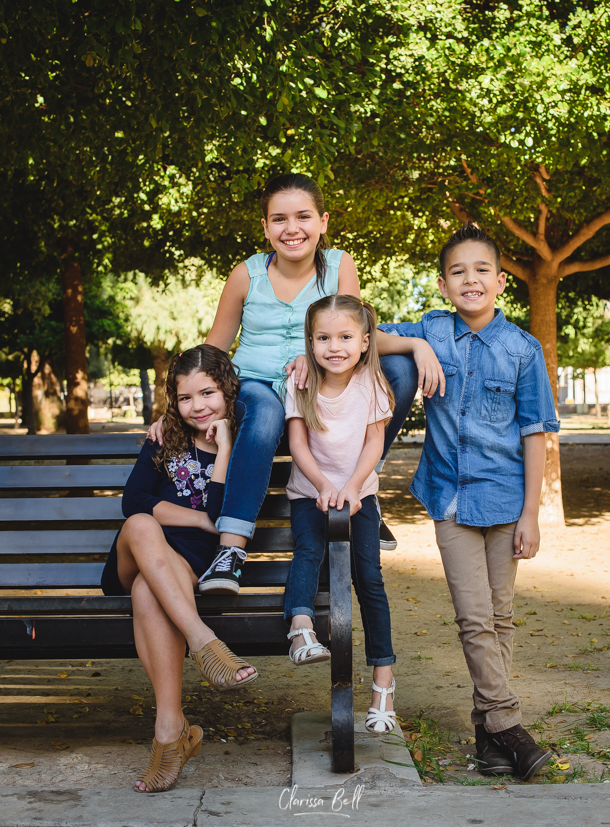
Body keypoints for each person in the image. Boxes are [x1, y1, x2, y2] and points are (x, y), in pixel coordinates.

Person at [148, 173, 443, 592]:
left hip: (318, 396)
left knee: (398, 370)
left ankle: (360, 490)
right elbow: (212, 351)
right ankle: (230, 549)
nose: (292, 229)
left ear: (323, 221)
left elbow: (357, 334)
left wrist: (415, 345)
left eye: (303, 216)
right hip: (257, 389)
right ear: (265, 227)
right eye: (279, 219)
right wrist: (170, 412)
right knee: (266, 411)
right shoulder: (246, 274)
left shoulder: (340, 265)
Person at [378, 223, 560, 780]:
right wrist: (414, 344)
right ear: (442, 284)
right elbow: (367, 333)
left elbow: (535, 433)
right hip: (450, 496)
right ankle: (510, 725)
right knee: (475, 618)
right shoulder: (432, 329)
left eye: (482, 270)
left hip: (507, 500)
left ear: (502, 282)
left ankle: (488, 737)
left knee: (500, 618)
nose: (470, 280)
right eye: (458, 271)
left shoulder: (523, 350)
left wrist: (532, 513)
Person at [101, 345, 257, 793]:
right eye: (186, 398)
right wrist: (199, 520)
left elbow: (220, 506)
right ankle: (203, 640)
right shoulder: (164, 437)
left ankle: (170, 734)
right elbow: (134, 502)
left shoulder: (245, 441)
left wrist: (225, 446)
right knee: (140, 523)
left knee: (149, 593)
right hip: (137, 553)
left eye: (207, 393)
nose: (197, 407)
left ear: (227, 390)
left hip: (188, 563)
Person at [283, 294, 397, 735]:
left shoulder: (373, 386)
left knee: (368, 578)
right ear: (310, 343)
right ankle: (301, 628)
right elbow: (297, 446)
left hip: (359, 494)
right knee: (309, 551)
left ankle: (383, 683)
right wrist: (325, 487)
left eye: (346, 336)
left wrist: (350, 488)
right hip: (309, 492)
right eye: (324, 337)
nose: (335, 346)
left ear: (365, 341)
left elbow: (373, 444)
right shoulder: (300, 384)